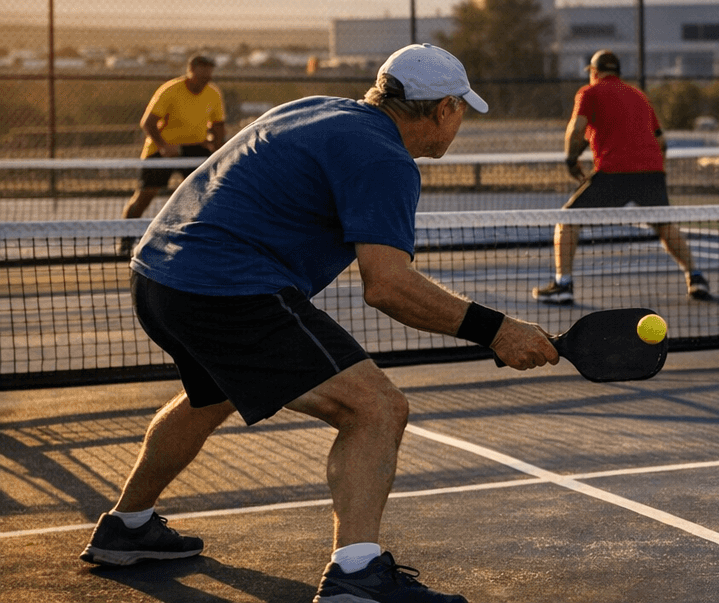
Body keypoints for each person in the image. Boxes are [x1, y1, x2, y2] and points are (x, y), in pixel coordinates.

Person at [80, 44, 558, 603]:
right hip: (228, 288)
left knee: (211, 396)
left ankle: (127, 527)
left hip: (158, 275)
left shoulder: (311, 107)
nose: (459, 125)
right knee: (376, 408)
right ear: (444, 108)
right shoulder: (384, 158)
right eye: (460, 113)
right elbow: (388, 286)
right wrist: (498, 330)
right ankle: (356, 577)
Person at [533, 50, 708, 304]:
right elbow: (662, 142)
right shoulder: (639, 95)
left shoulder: (588, 93)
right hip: (652, 171)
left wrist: (570, 160)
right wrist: (658, 172)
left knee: (567, 220)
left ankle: (563, 285)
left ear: (594, 72)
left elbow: (577, 129)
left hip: (615, 172)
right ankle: (696, 277)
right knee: (664, 225)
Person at [123, 55, 227, 221]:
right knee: (146, 195)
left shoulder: (213, 93)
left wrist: (217, 147)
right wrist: (164, 147)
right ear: (190, 71)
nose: (204, 81)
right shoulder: (170, 90)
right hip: (162, 149)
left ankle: (194, 237)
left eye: (208, 78)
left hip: (195, 149)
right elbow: (148, 123)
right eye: (201, 77)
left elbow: (218, 125)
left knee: (204, 194)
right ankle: (126, 237)